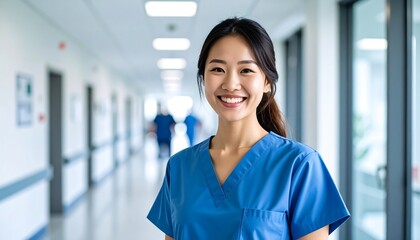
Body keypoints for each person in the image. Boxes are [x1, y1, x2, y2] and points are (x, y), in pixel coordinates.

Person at [147, 17, 350, 239]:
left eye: (246, 70)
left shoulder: (300, 165)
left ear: (266, 82)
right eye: (217, 69)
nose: (231, 83)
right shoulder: (180, 167)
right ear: (203, 78)